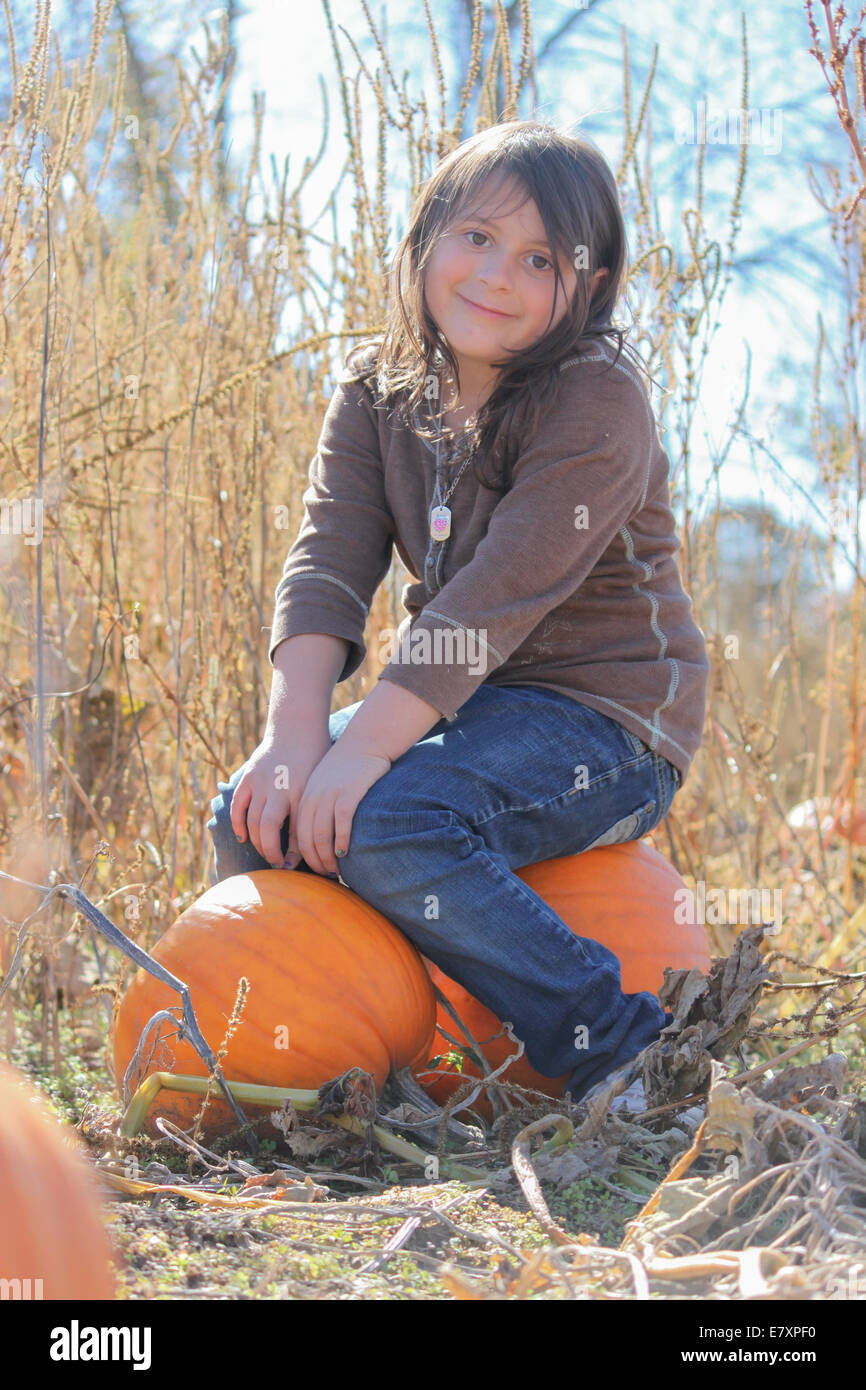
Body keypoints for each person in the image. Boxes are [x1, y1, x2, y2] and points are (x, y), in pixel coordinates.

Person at [206, 119, 710, 1109]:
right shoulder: (374, 390)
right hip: (453, 706)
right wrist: (295, 738)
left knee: (393, 825)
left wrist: (358, 761)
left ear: (592, 287)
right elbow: (328, 561)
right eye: (475, 237)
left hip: (606, 721)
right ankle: (332, 1059)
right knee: (248, 817)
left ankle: (622, 1051)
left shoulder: (597, 402)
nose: (496, 276)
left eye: (538, 259)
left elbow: (490, 601)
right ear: (424, 237)